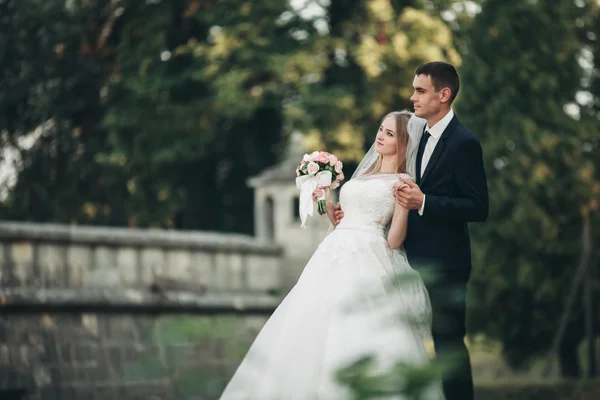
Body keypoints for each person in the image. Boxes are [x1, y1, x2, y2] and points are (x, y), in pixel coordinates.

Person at [218, 110, 443, 400]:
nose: (380, 136)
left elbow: (395, 239)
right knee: (313, 318)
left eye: (389, 133)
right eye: (381, 129)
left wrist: (404, 205)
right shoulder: (363, 174)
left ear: (404, 142)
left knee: (360, 326)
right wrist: (324, 202)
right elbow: (339, 220)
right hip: (334, 251)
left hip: (369, 255)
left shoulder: (402, 181)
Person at [335, 61, 489, 400]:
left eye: (420, 90)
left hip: (444, 262)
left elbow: (478, 207)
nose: (412, 97)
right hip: (402, 256)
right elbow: (391, 191)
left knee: (448, 344)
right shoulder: (416, 132)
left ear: (444, 95)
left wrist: (426, 200)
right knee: (395, 339)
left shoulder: (464, 142)